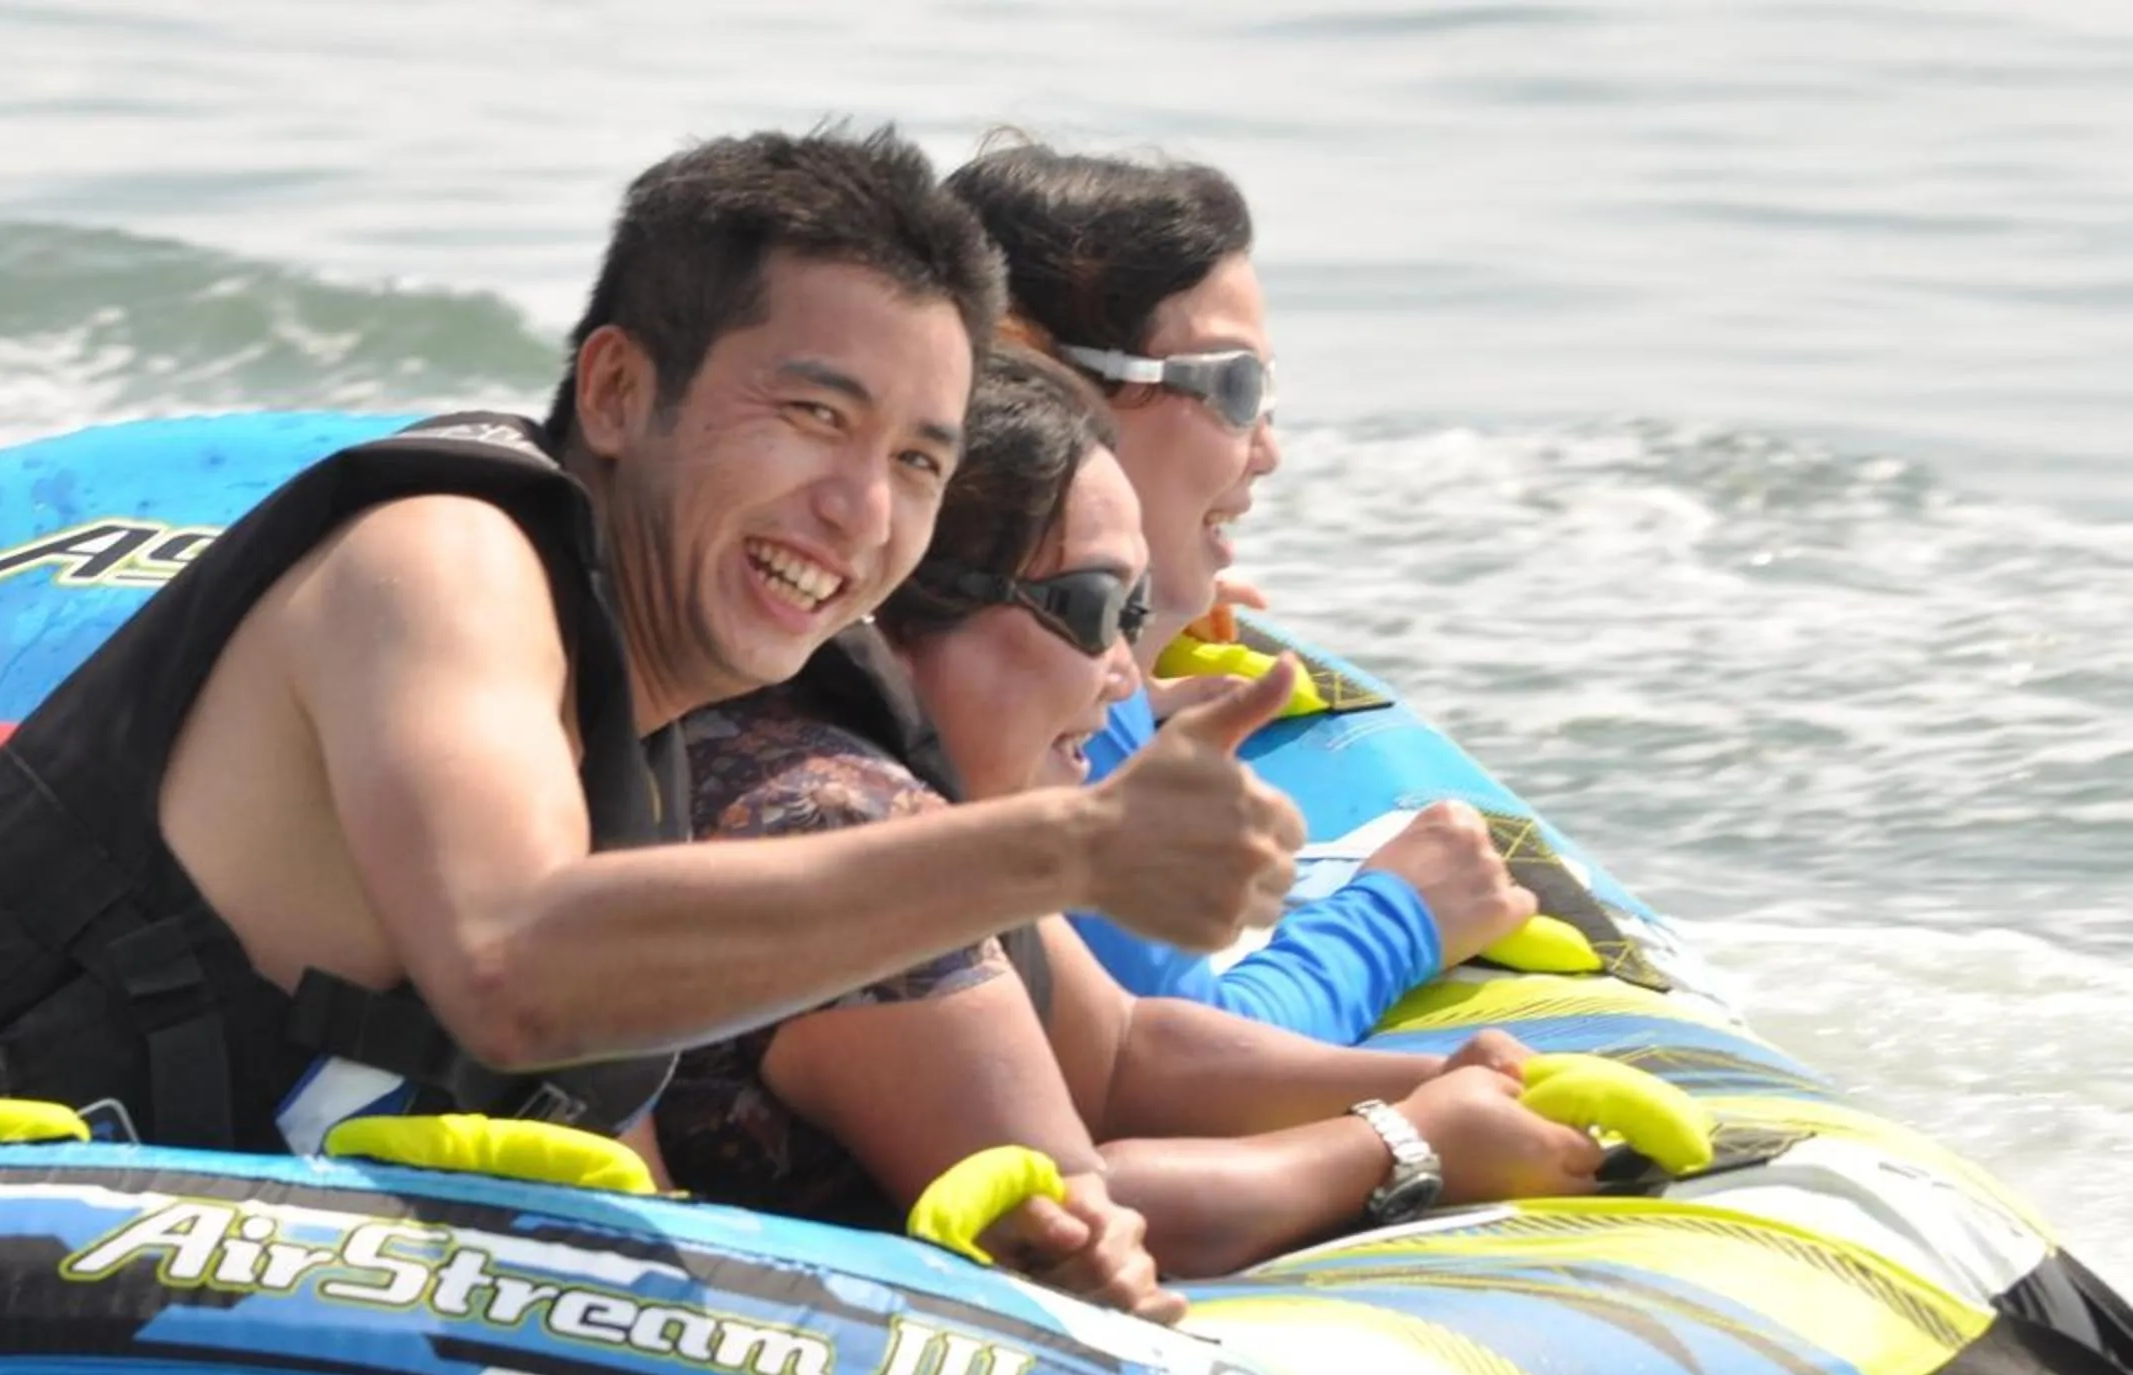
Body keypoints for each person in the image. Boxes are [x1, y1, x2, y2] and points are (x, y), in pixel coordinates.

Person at [0, 128, 1317, 1314]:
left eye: (922, 466)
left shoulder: (639, 733)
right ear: (624, 395)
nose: (862, 515)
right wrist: (1056, 853)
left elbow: (567, 1149)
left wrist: (954, 1253)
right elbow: (509, 953)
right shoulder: (453, 562)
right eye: (813, 418)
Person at [653, 346, 1601, 1279]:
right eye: (1094, 607)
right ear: (895, 610)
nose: (1124, 674)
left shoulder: (931, 801)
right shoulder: (837, 823)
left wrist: (1447, 1080)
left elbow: (1119, 1058)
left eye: (1137, 610)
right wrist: (1408, 1145)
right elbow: (1082, 1215)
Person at [947, 142, 1538, 1046]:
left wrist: (1141, 655)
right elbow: (1176, 1047)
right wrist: (1400, 916)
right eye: (1232, 387)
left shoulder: (961, 637)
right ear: (1044, 385)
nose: (1266, 448)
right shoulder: (1015, 691)